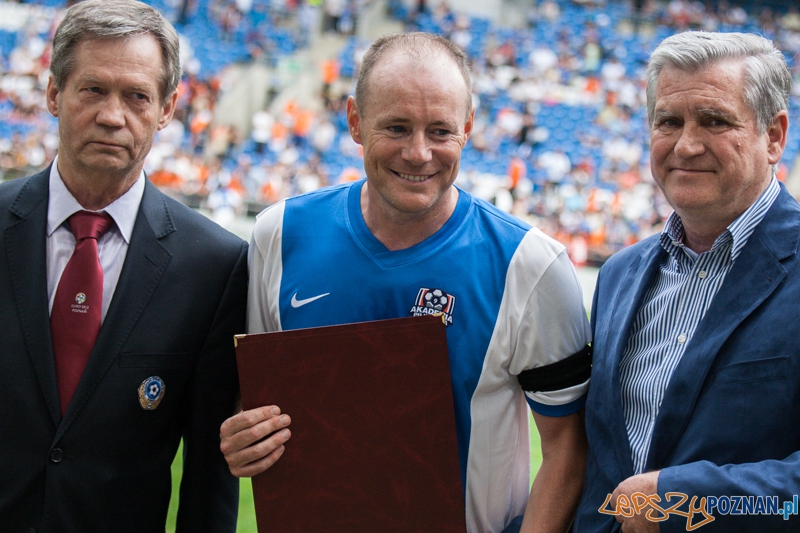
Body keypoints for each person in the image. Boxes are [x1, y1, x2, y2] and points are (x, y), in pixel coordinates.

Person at [220, 32, 592, 533]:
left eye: (440, 131)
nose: (419, 154)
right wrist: (245, 435)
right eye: (396, 127)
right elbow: (262, 398)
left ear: (468, 127)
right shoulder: (279, 235)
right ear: (355, 120)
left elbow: (568, 445)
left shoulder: (531, 265)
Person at [0, 1, 247, 531]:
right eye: (93, 89)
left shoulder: (214, 265)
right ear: (53, 94)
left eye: (137, 96)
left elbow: (210, 473)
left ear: (167, 108)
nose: (113, 116)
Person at [574, 31, 796, 532]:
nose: (686, 144)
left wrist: (685, 502)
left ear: (774, 137)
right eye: (668, 121)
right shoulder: (619, 274)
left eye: (715, 121)